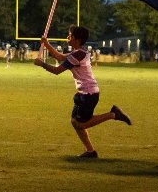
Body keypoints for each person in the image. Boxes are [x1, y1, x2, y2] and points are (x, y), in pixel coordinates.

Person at [34, 26, 132, 158]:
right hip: (84, 93)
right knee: (75, 122)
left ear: (77, 39)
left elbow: (57, 71)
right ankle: (90, 151)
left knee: (81, 123)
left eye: (70, 35)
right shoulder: (78, 52)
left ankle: (113, 114)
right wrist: (46, 44)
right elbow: (59, 56)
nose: (67, 37)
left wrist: (42, 64)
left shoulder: (78, 54)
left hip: (89, 94)